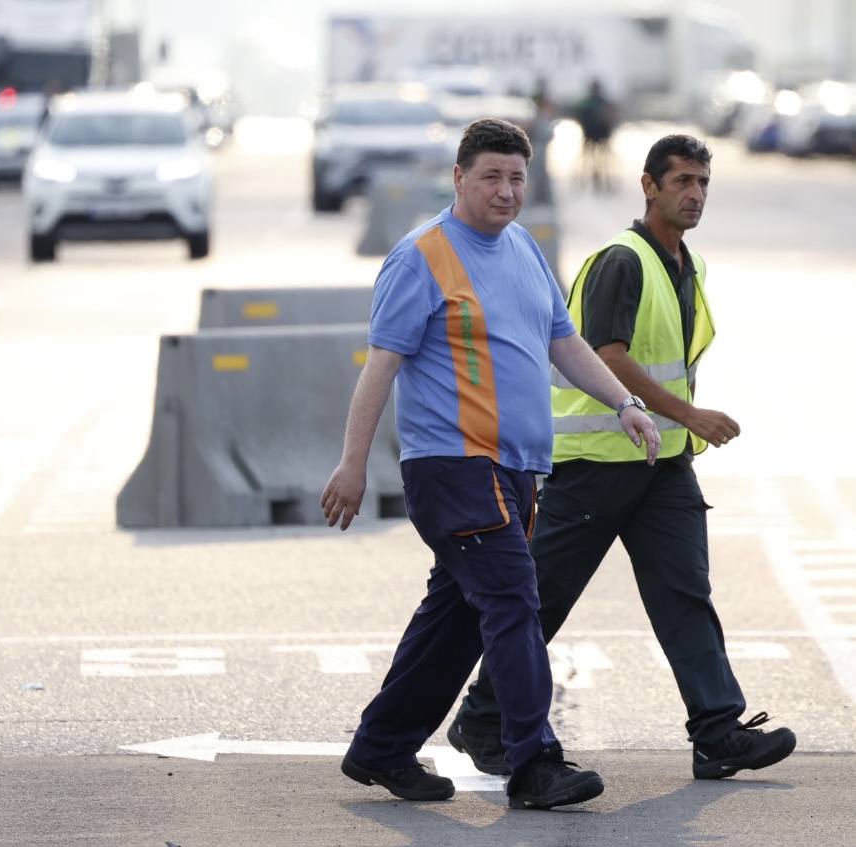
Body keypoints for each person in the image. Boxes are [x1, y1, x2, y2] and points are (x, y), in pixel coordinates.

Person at [321, 118, 661, 810]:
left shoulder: (525, 250)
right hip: (452, 467)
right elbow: (379, 367)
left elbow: (564, 344)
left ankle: (382, 743)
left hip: (514, 471)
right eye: (491, 177)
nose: (506, 192)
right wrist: (352, 463)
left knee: (459, 615)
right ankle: (532, 760)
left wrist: (624, 399)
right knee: (512, 598)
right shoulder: (422, 256)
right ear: (459, 177)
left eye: (516, 178)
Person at [447, 134, 796, 782]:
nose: (694, 195)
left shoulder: (687, 266)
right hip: (595, 464)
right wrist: (688, 413)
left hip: (662, 465)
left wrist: (680, 427)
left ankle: (717, 729)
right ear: (648, 185)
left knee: (685, 594)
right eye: (682, 182)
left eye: (702, 184)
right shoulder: (622, 260)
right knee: (544, 596)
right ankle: (482, 717)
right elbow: (605, 355)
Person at [575, 79, 617, 192]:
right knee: (601, 162)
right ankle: (602, 184)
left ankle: (588, 184)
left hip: (592, 136)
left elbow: (579, 117)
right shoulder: (602, 103)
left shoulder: (587, 103)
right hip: (598, 136)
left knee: (598, 162)